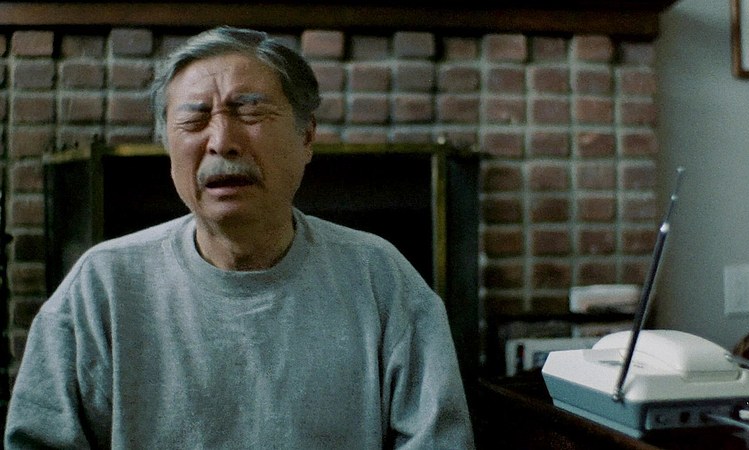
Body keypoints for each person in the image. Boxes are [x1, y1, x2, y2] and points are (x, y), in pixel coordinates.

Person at [5, 26, 474, 449]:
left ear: (307, 138)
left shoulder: (380, 277)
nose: (221, 141)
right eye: (194, 120)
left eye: (250, 112)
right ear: (168, 146)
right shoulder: (102, 284)